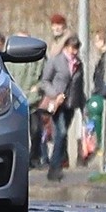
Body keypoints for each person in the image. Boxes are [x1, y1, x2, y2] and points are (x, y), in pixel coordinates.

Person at [39, 33, 85, 181]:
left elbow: (79, 86)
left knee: (62, 135)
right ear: (66, 47)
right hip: (57, 103)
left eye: (77, 48)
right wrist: (55, 94)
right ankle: (54, 167)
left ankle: (57, 166)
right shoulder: (55, 61)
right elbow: (45, 81)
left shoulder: (78, 64)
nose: (74, 51)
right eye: (72, 48)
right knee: (62, 132)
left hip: (71, 104)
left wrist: (83, 107)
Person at [12, 33, 46, 167]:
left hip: (34, 102)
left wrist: (38, 87)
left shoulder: (38, 58)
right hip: (15, 101)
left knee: (36, 130)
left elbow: (44, 76)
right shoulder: (10, 58)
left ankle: (34, 158)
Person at [91, 27, 106, 96]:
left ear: (102, 41)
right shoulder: (103, 57)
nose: (95, 43)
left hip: (102, 92)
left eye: (96, 40)